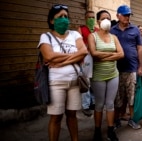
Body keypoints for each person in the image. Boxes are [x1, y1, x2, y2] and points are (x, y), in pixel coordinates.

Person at [37, 4, 88, 141]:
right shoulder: (45, 37)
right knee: (56, 117)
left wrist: (62, 61)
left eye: (66, 16)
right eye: (60, 17)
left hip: (75, 82)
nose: (64, 19)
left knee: (72, 115)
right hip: (56, 83)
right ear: (52, 20)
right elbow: (48, 56)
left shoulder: (75, 34)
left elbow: (84, 52)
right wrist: (74, 56)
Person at [88, 10, 124, 141]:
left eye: (108, 18)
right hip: (98, 76)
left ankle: (110, 130)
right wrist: (112, 56)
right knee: (99, 104)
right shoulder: (93, 36)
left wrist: (103, 56)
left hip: (113, 74)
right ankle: (97, 131)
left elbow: (121, 54)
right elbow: (93, 53)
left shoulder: (114, 37)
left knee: (110, 104)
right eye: (103, 18)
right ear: (98, 21)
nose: (106, 21)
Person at [110, 5, 142, 130]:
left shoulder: (135, 29)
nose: (127, 17)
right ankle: (117, 119)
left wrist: (141, 66)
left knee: (131, 96)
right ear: (118, 15)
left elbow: (140, 48)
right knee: (118, 97)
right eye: (125, 15)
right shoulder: (112, 31)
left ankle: (132, 119)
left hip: (132, 68)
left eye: (129, 15)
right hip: (116, 70)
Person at [77, 11, 97, 117]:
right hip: (86, 58)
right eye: (89, 17)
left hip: (95, 58)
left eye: (93, 17)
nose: (91, 19)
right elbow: (79, 43)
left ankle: (92, 102)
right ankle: (85, 105)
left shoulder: (97, 30)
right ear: (85, 18)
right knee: (86, 82)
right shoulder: (81, 29)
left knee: (94, 81)